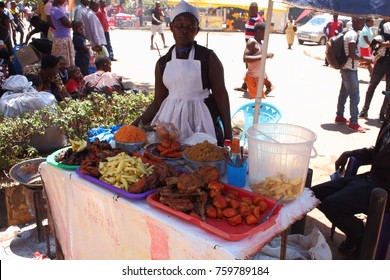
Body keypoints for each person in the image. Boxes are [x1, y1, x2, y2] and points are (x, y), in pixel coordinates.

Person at [132, 0, 232, 146]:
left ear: (197, 31)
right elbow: (158, 102)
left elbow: (221, 95)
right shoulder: (162, 63)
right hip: (168, 123)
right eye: (179, 26)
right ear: (171, 27)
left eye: (190, 27)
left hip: (201, 122)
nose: (184, 30)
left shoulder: (208, 58)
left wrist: (228, 136)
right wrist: (132, 127)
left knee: (200, 157)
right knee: (167, 154)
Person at [312, 102, 390, 258]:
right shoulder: (387, 124)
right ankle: (357, 233)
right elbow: (377, 151)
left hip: (384, 191)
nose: (387, 107)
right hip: (369, 179)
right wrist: (350, 152)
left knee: (331, 205)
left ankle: (362, 239)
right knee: (313, 195)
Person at [334, 17, 372, 133]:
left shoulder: (349, 33)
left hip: (346, 68)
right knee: (355, 96)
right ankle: (353, 123)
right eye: (361, 21)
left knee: (343, 94)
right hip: (350, 69)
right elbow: (351, 54)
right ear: (355, 21)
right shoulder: (353, 35)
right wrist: (364, 58)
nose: (363, 23)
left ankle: (339, 116)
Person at [234, 3, 274, 96]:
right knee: (254, 68)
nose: (250, 11)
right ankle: (246, 85)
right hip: (251, 45)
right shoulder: (249, 19)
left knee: (255, 68)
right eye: (250, 9)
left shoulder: (258, 20)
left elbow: (259, 31)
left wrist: (257, 45)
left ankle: (267, 85)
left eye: (253, 10)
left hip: (254, 46)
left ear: (256, 10)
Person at [358, 21, 390, 123]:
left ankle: (382, 114)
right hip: (381, 62)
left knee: (388, 91)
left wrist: (381, 44)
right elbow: (377, 40)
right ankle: (365, 110)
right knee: (372, 86)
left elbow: (385, 43)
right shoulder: (385, 24)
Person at [243, 22, 274, 100]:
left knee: (259, 101)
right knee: (257, 102)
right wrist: (265, 56)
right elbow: (245, 58)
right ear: (258, 32)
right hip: (252, 77)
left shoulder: (262, 44)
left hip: (260, 77)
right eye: (265, 32)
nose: (267, 35)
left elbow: (260, 61)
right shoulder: (252, 42)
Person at [50, 0, 74, 67]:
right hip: (62, 39)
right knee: (63, 62)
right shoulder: (57, 10)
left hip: (61, 37)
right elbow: (67, 24)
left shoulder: (57, 8)